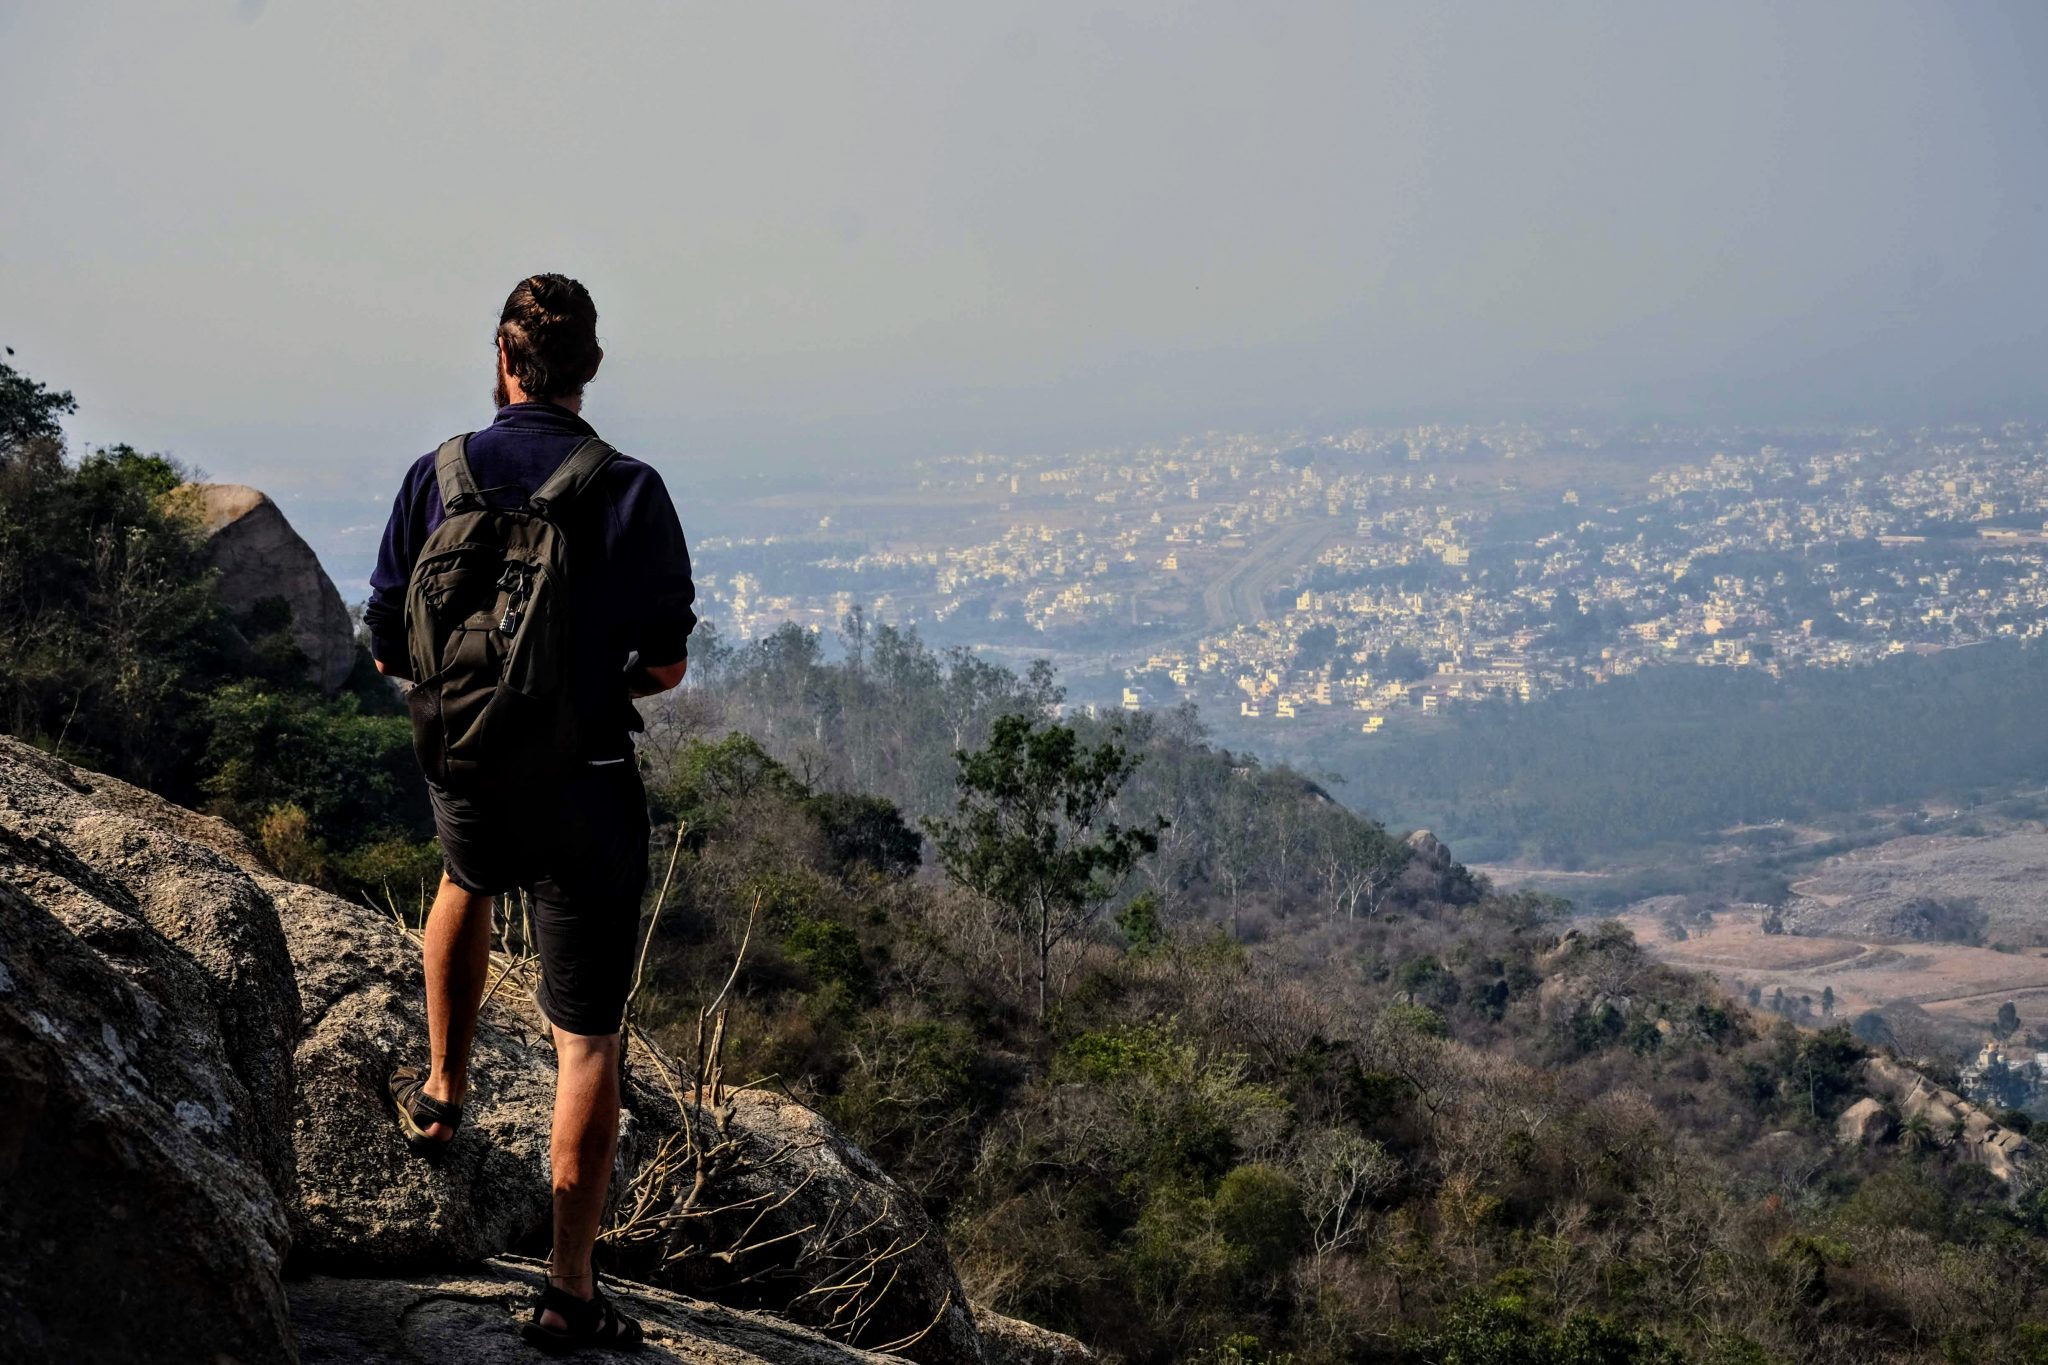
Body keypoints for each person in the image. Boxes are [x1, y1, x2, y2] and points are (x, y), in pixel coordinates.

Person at [364, 273, 695, 1353]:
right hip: (585, 781)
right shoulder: (630, 488)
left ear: (503, 360)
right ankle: (566, 1287)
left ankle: (442, 1088)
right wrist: (578, 683)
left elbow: (385, 644)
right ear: (588, 369)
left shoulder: (438, 473)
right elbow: (666, 664)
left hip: (465, 769)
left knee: (462, 884)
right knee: (586, 1037)